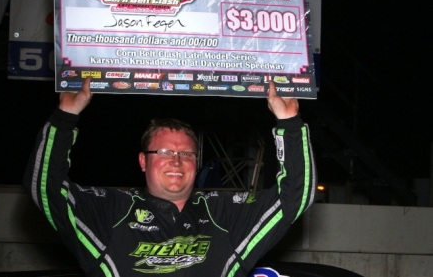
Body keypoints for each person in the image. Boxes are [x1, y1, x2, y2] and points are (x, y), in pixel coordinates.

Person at [23, 77, 316, 276]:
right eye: (163, 151)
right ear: (143, 161)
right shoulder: (110, 211)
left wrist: (289, 123)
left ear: (196, 163)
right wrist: (64, 118)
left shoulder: (224, 215)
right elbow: (45, 189)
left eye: (186, 154)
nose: (176, 160)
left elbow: (294, 198)